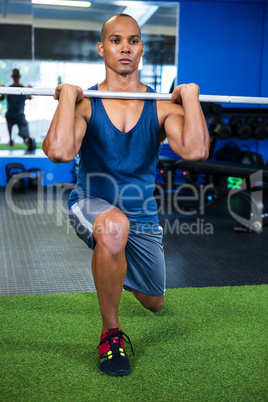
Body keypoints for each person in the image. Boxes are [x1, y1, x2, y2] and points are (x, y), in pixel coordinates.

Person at [42, 13, 210, 377]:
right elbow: (59, 152)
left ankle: (112, 260)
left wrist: (191, 97)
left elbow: (195, 150)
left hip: (142, 213)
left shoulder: (162, 105)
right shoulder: (87, 103)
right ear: (103, 48)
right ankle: (111, 333)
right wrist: (67, 99)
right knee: (114, 228)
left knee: (154, 302)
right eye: (116, 40)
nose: (125, 47)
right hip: (91, 204)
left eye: (133, 40)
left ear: (141, 49)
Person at [0, 68, 36, 151]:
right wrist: (1, 90)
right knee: (24, 135)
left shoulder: (21, 89)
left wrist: (31, 90)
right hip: (14, 116)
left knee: (25, 136)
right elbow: (1, 98)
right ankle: (12, 139)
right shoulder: (10, 89)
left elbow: (30, 97)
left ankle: (16, 139)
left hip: (18, 116)